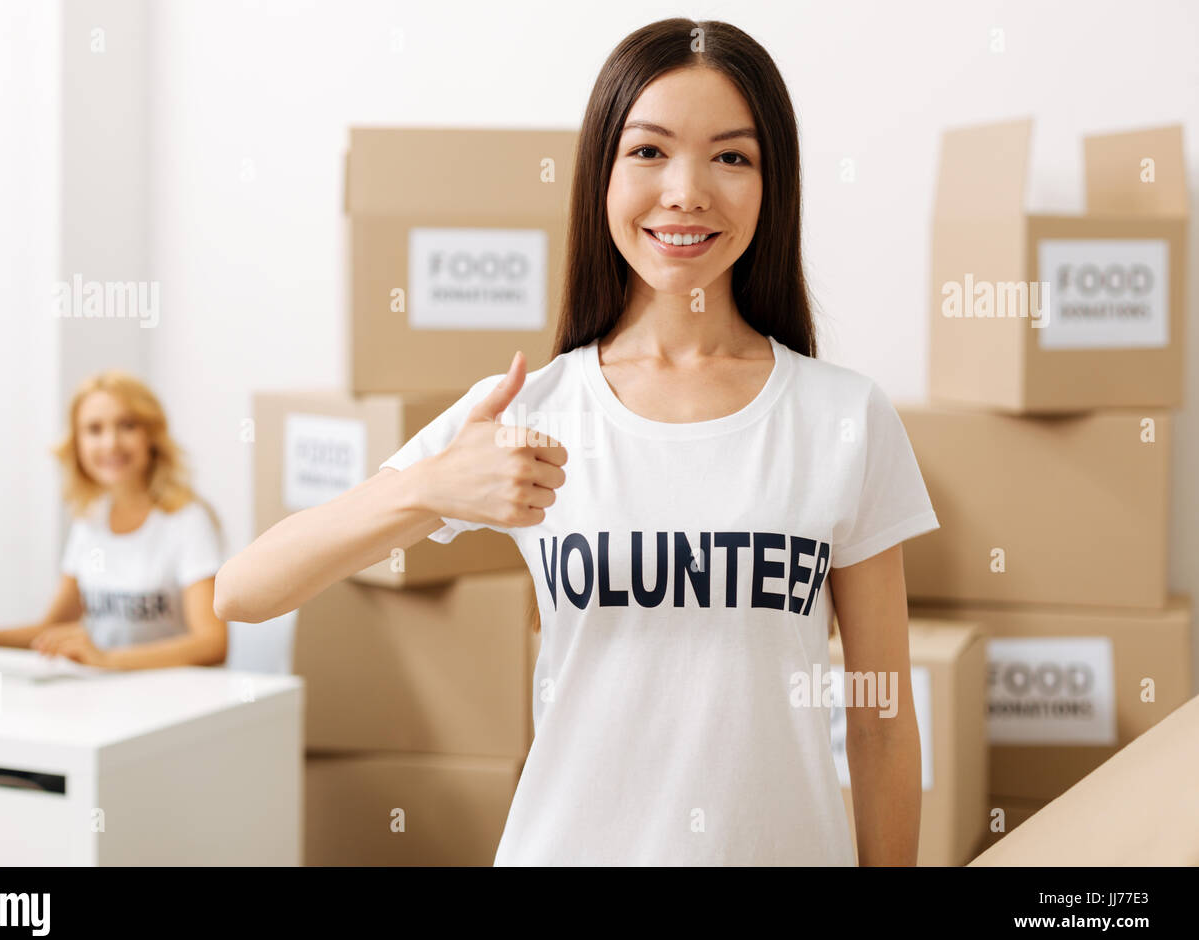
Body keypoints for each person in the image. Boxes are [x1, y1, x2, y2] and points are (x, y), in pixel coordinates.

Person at [215, 18, 939, 866]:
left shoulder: (842, 417)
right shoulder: (533, 409)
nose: (687, 190)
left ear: (774, 185)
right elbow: (243, 591)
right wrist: (426, 488)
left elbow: (882, 721)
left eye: (732, 157)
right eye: (649, 152)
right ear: (600, 174)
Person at [0, 370, 228, 671]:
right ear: (77, 444)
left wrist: (108, 660)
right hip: (104, 694)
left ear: (151, 436)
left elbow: (213, 643)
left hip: (171, 697)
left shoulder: (186, 521)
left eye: (127, 426)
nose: (110, 443)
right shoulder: (89, 521)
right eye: (94, 429)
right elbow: (49, 630)